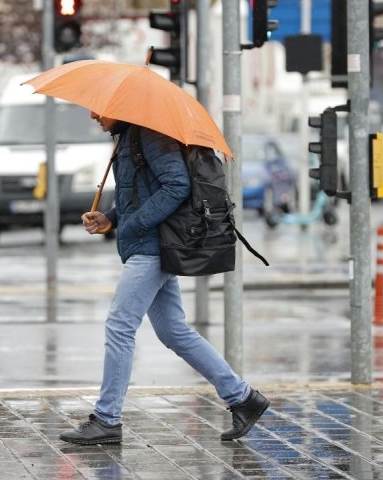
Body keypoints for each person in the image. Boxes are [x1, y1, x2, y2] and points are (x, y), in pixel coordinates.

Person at [59, 112, 270, 446]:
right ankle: (243, 398)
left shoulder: (150, 136)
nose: (94, 115)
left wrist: (135, 224)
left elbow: (177, 185)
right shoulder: (128, 138)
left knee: (120, 325)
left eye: (100, 109)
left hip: (152, 247)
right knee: (174, 330)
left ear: (122, 108)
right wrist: (110, 218)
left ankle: (107, 419)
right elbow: (142, 193)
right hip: (148, 244)